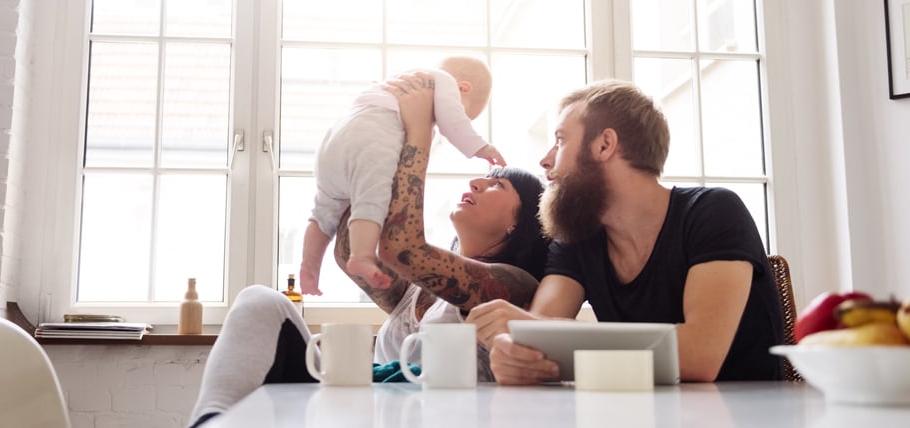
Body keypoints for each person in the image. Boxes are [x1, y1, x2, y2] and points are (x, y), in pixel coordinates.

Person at [187, 73, 550, 428]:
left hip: (436, 418)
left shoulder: (513, 284)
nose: (476, 181)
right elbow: (348, 252)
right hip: (371, 412)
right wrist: (376, 142)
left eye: (497, 185)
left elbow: (402, 249)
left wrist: (420, 131)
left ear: (519, 223)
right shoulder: (416, 292)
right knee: (259, 300)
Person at [465, 79, 785, 383]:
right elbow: (537, 336)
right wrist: (515, 355)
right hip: (642, 408)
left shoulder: (714, 211)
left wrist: (543, 335)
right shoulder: (577, 239)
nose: (545, 160)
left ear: (604, 145)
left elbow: (699, 356)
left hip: (748, 410)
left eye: (560, 140)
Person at [300, 55, 506, 296]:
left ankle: (309, 266)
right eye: (467, 113)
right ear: (463, 88)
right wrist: (481, 148)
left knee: (323, 211)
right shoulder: (443, 82)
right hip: (368, 141)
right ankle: (362, 255)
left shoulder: (401, 81)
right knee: (373, 198)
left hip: (332, 144)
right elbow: (455, 125)